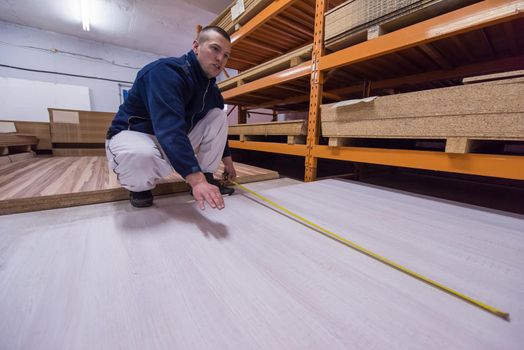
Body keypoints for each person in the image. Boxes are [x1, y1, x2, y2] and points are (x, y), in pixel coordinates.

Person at [105, 26, 236, 210]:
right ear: (196, 47)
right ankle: (140, 188)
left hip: (170, 137)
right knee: (140, 155)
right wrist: (194, 179)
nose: (220, 59)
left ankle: (207, 177)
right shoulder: (166, 72)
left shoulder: (211, 90)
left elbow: (217, 129)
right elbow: (169, 127)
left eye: (226, 55)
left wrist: (227, 161)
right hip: (135, 134)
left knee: (218, 115)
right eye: (215, 49)